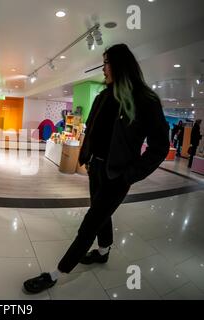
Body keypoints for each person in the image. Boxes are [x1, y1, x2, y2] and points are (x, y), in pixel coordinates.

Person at [24, 44, 170, 294]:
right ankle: (103, 252)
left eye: (106, 64)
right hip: (96, 169)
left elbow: (159, 147)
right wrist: (86, 157)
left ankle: (57, 273)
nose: (103, 69)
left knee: (90, 222)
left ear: (120, 65)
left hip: (118, 175)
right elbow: (91, 128)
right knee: (101, 213)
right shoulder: (104, 95)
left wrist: (131, 174)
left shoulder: (146, 100)